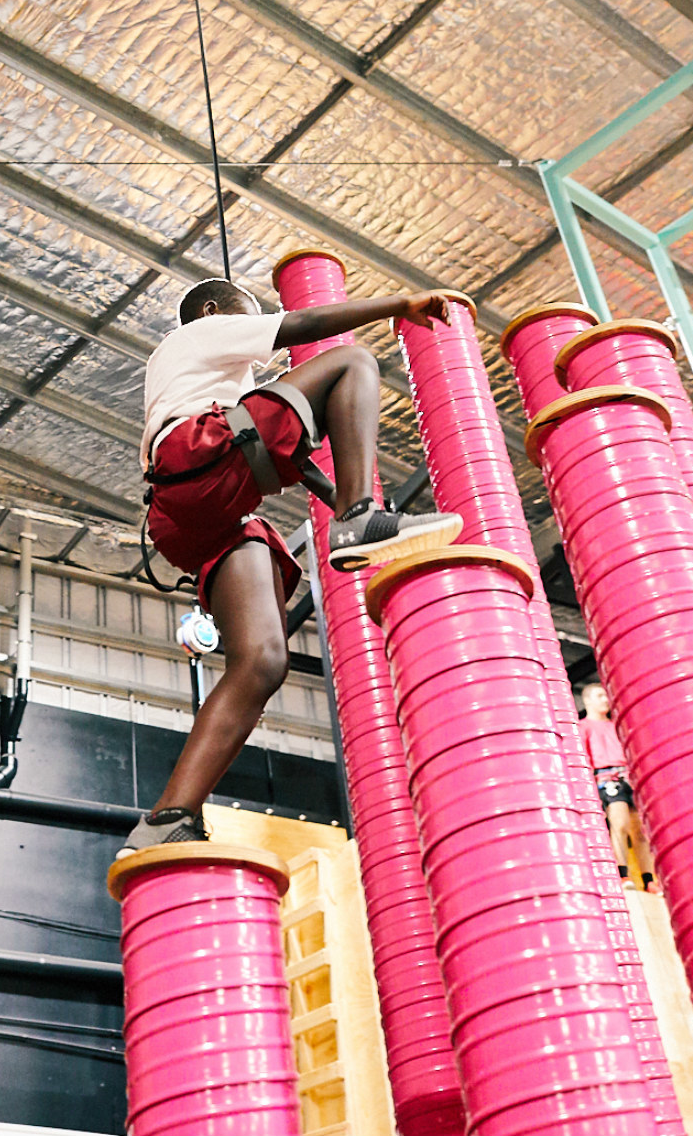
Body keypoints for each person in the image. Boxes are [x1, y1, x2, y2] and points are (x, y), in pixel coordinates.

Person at [121, 278, 463, 854]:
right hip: (199, 459)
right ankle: (360, 516)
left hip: (187, 512)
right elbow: (301, 327)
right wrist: (399, 304)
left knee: (262, 662)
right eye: (248, 317)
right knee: (352, 360)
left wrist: (350, 515)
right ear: (212, 312)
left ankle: (167, 817)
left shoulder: (201, 385)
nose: (256, 328)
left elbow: (284, 455)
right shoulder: (202, 332)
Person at [578, 681, 653, 891]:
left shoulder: (616, 725)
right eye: (600, 696)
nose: (605, 700)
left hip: (628, 776)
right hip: (606, 776)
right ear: (588, 700)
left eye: (605, 696)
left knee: (639, 831)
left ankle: (649, 880)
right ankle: (623, 875)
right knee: (619, 824)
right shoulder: (583, 727)